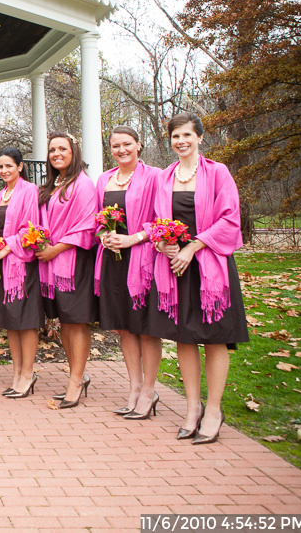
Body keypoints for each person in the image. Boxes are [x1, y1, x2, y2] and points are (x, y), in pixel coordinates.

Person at [146, 113, 248, 444]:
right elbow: (154, 221)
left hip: (210, 267)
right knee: (185, 337)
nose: (181, 141)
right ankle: (192, 408)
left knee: (215, 338)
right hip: (175, 267)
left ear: (200, 137)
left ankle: (214, 410)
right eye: (176, 136)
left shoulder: (218, 173)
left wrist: (193, 247)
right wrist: (162, 240)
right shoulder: (164, 177)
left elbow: (230, 219)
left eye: (187, 135)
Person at [93, 127, 162, 420]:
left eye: (127, 144)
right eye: (116, 145)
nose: (121, 149)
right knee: (123, 326)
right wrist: (104, 236)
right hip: (112, 259)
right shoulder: (104, 179)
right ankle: (133, 389)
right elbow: (96, 217)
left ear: (138, 145)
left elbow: (164, 218)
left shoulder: (155, 176)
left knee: (144, 327)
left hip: (142, 259)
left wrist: (134, 238)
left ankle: (149, 390)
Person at [37, 132, 99, 408]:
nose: (57, 154)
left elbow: (86, 226)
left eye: (62, 148)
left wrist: (55, 249)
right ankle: (78, 375)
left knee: (76, 321)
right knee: (64, 321)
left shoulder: (83, 185)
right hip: (51, 264)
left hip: (73, 262)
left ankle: (75, 381)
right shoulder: (52, 185)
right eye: (52, 150)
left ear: (74, 152)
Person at [0, 148, 44, 398]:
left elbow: (29, 228)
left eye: (9, 166)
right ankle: (17, 373)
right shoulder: (1, 195)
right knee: (11, 321)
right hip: (1, 266)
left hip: (21, 265)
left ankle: (28, 374)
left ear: (20, 166)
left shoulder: (29, 191)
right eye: (0, 167)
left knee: (25, 321)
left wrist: (4, 250)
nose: (4, 171)